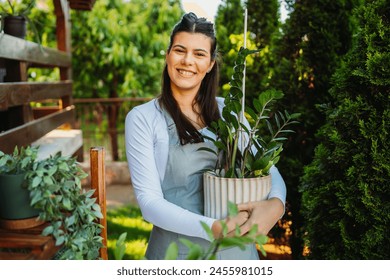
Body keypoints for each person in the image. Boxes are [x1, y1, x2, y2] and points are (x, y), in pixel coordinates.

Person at [125, 12, 286, 260]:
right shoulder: (144, 118)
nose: (188, 60)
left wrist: (276, 205)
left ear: (210, 64)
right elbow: (149, 204)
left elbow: (268, 167)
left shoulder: (228, 111)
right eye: (180, 50)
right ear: (168, 55)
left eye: (199, 54)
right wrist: (214, 228)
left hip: (238, 255)